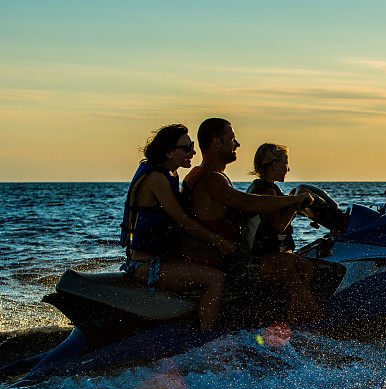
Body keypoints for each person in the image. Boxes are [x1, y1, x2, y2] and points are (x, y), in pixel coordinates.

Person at [180, 119, 318, 322]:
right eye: (232, 139)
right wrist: (294, 200)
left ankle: (293, 318)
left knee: (304, 266)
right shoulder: (210, 179)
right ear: (217, 143)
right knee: (285, 269)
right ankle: (313, 323)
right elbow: (246, 203)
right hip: (226, 263)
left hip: (229, 257)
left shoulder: (210, 176)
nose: (237, 144)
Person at [120, 124, 236, 331]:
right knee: (215, 279)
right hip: (146, 265)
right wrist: (220, 242)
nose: (192, 152)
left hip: (159, 259)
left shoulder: (171, 174)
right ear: (168, 152)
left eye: (192, 146)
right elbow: (182, 220)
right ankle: (205, 338)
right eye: (186, 148)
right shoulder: (157, 179)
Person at [247, 143, 323, 324]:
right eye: (285, 163)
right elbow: (278, 226)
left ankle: (293, 317)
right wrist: (295, 205)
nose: (287, 168)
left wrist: (290, 200)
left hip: (267, 256)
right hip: (267, 259)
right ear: (274, 165)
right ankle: (315, 319)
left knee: (307, 267)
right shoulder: (268, 191)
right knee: (302, 277)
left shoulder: (261, 187)